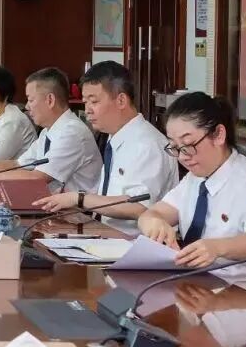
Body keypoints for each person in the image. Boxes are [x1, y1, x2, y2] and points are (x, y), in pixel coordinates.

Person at [138, 92, 246, 294]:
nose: (182, 157)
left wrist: (216, 248)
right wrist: (154, 223)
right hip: (200, 285)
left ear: (218, 135)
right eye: (175, 147)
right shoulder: (195, 177)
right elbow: (153, 213)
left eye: (188, 145)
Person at [33, 61, 177, 234]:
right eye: (85, 102)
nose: (88, 110)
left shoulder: (147, 144)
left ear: (121, 100)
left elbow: (139, 207)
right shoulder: (115, 137)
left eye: (94, 101)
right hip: (103, 234)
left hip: (132, 242)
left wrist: (79, 199)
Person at [0, 67, 102, 193]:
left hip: (76, 211)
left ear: (50, 100)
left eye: (31, 100)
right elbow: (18, 164)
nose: (27, 107)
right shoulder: (47, 131)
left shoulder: (72, 132)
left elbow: (38, 178)